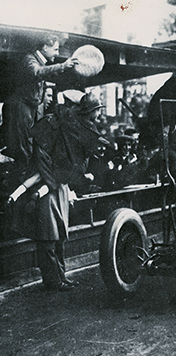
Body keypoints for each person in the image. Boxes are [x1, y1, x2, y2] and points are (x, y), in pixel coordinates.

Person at [9, 93, 105, 291]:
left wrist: (68, 182)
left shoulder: (71, 128)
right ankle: (53, 280)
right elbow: (43, 166)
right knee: (48, 238)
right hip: (46, 190)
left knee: (59, 236)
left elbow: (71, 162)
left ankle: (62, 276)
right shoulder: (51, 127)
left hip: (59, 187)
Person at [0, 34, 79, 178]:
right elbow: (37, 72)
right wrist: (63, 66)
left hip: (27, 109)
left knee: (27, 144)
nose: (57, 53)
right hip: (20, 109)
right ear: (44, 47)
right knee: (22, 146)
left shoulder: (39, 62)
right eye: (55, 49)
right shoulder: (30, 60)